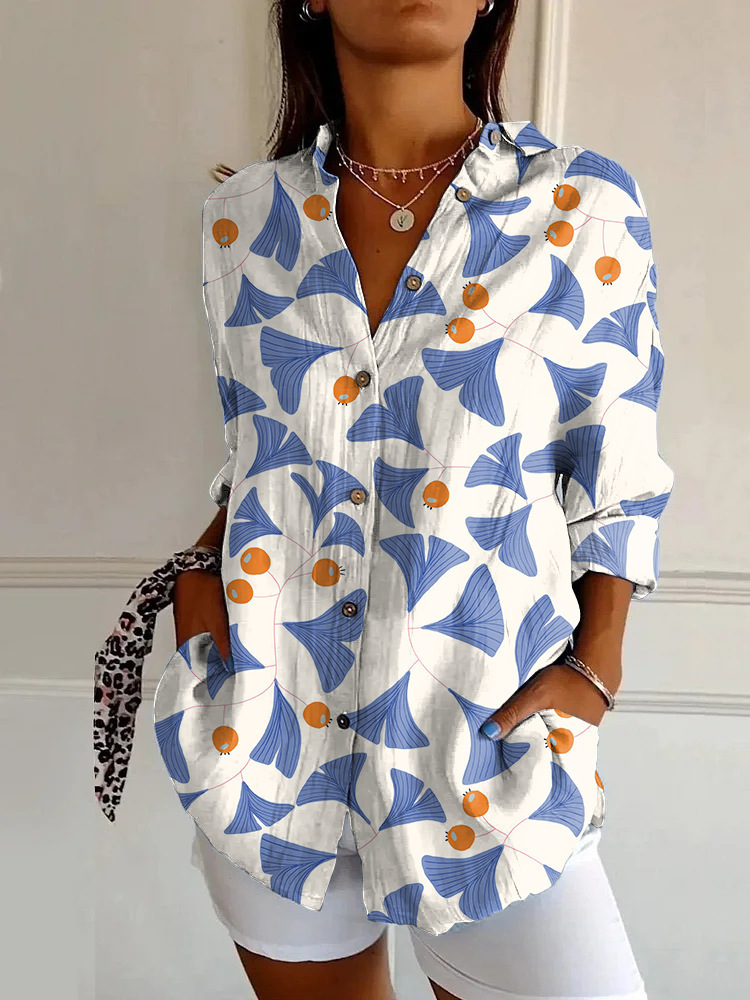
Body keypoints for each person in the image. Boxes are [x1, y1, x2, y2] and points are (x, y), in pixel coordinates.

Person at [168, 1, 673, 997]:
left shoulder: (582, 205)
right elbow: (257, 446)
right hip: (269, 741)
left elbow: (618, 472)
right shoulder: (243, 223)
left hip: (485, 749)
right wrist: (198, 583)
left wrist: (598, 666)